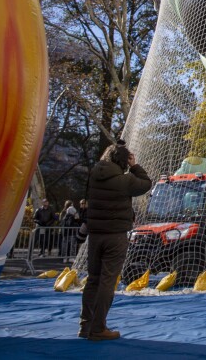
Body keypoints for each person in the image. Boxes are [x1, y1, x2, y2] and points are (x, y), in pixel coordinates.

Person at [79, 142, 151, 342]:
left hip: (95, 236)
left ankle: (85, 325)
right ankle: (98, 327)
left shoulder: (93, 176)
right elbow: (146, 183)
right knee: (107, 281)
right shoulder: (125, 180)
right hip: (115, 235)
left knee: (93, 279)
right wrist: (135, 166)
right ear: (124, 161)